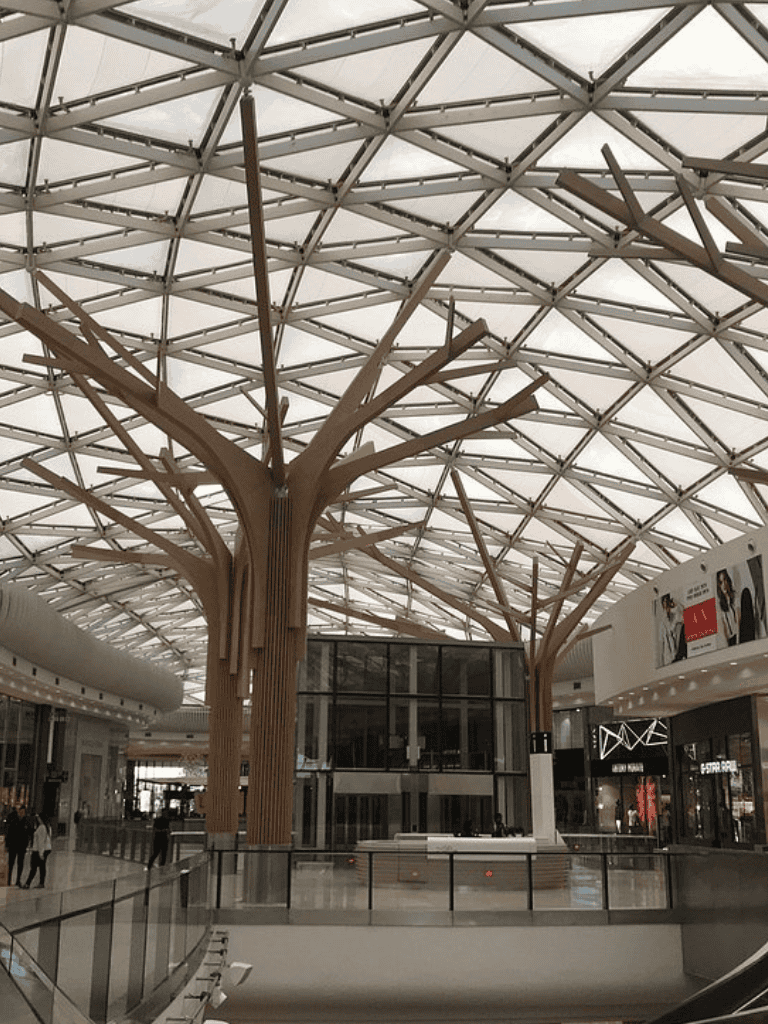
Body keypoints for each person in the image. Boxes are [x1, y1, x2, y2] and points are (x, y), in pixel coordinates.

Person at [4, 805, 31, 887]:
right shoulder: (13, 820)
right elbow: (9, 833)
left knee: (20, 863)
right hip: (13, 845)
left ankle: (18, 880)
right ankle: (8, 880)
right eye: (21, 811)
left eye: (24, 812)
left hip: (22, 847)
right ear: (19, 812)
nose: (22, 813)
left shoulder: (26, 821)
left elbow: (28, 834)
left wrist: (27, 845)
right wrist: (7, 844)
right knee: (11, 863)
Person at [23, 814, 52, 889]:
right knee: (42, 867)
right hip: (45, 849)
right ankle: (41, 883)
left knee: (34, 867)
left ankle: (27, 883)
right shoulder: (47, 826)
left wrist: (41, 853)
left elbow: (41, 841)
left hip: (38, 850)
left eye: (38, 817)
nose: (37, 818)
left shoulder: (42, 827)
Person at [659, 593, 687, 664]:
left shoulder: (674, 614)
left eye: (667, 601)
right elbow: (669, 630)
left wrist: (675, 602)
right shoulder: (663, 619)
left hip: (674, 645)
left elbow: (682, 612)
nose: (666, 604)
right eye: (664, 602)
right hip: (668, 648)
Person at [716, 569, 739, 646]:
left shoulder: (735, 596)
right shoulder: (719, 605)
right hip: (730, 640)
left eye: (725, 580)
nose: (724, 585)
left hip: (739, 635)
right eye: (721, 582)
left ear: (728, 580)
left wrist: (738, 641)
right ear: (719, 585)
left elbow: (738, 619)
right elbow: (724, 628)